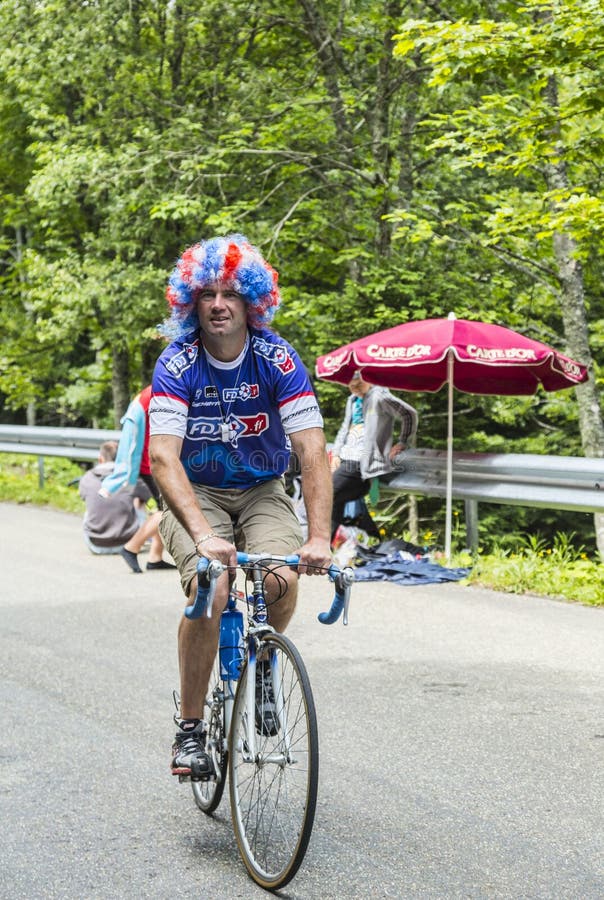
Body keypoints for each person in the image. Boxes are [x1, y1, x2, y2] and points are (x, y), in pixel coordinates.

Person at [148, 233, 332, 779]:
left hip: (261, 488)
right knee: (215, 584)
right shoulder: (177, 364)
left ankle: (264, 662)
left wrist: (319, 537)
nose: (220, 304)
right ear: (192, 303)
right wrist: (203, 534)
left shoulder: (277, 358)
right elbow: (162, 458)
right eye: (207, 294)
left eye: (231, 293)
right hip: (196, 491)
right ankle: (190, 729)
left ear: (253, 301)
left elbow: (312, 448)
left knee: (281, 578)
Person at [330, 371, 418, 541]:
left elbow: (409, 414)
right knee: (333, 501)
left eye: (359, 384)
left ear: (368, 380)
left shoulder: (379, 396)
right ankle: (329, 546)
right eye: (351, 386)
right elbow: (344, 428)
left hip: (362, 462)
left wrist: (403, 441)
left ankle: (324, 546)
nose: (355, 389)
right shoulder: (352, 400)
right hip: (346, 459)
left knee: (327, 494)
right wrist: (336, 453)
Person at [98, 385, 174, 571]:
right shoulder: (156, 393)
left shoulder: (156, 391)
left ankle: (155, 558)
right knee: (169, 510)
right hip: (152, 464)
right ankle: (131, 547)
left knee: (163, 508)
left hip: (152, 461)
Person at [79, 441, 174, 573]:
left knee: (91, 507)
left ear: (100, 459)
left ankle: (151, 557)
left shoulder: (87, 477)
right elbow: (151, 500)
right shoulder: (131, 478)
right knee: (145, 505)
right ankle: (152, 556)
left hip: (95, 545)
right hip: (125, 540)